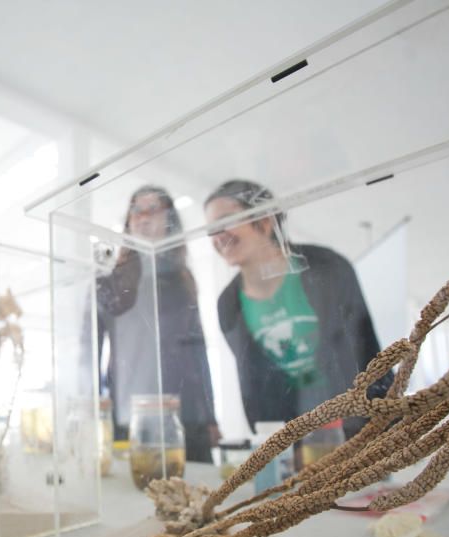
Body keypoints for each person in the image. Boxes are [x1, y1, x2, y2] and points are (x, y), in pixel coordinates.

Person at [205, 179, 388, 439]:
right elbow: (254, 383)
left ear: (265, 220)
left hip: (359, 433)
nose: (218, 236)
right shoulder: (228, 304)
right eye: (211, 228)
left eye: (226, 221)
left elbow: (368, 349)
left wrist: (384, 427)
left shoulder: (328, 267)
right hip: (288, 444)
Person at [95, 186, 219, 463]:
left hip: (183, 419)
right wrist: (90, 409)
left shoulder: (182, 278)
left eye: (153, 209)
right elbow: (89, 345)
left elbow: (197, 351)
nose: (143, 216)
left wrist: (209, 416)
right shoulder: (110, 279)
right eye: (136, 210)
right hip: (127, 417)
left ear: (170, 219)